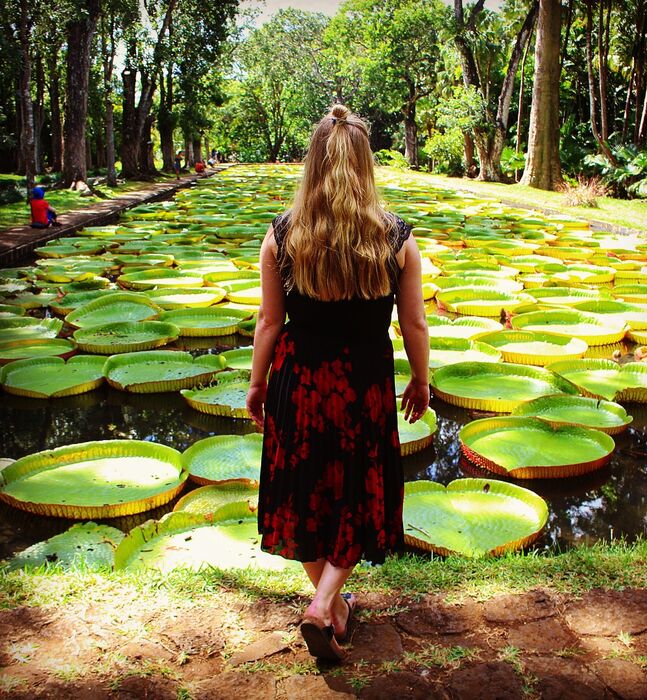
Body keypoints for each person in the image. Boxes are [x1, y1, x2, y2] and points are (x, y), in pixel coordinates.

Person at [246, 104, 430, 662]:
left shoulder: (282, 237)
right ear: (366, 166)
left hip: (299, 381)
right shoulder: (396, 239)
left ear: (312, 164)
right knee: (357, 491)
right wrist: (421, 379)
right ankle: (328, 606)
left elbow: (269, 322)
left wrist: (257, 385)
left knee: (303, 493)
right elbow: (415, 322)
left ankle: (326, 603)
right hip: (364, 385)